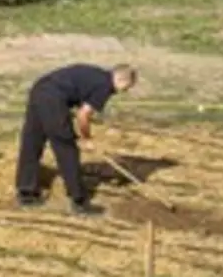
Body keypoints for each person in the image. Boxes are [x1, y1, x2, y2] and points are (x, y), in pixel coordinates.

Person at [15, 62, 137, 215]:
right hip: (53, 98)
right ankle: (79, 201)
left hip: (40, 89)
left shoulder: (98, 75)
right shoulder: (105, 86)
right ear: (122, 80)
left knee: (32, 142)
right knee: (66, 148)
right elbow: (83, 115)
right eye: (127, 87)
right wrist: (87, 139)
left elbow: (76, 96)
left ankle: (25, 192)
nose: (125, 91)